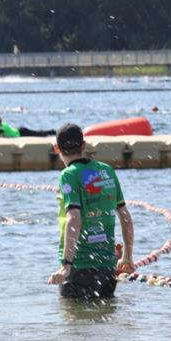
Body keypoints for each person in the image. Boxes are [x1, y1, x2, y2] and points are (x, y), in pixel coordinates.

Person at [47, 123, 135, 299]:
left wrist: (66, 265)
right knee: (106, 317)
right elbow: (125, 217)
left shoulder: (68, 175)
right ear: (84, 145)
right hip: (108, 268)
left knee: (75, 322)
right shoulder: (106, 170)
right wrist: (127, 258)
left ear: (57, 148)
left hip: (79, 267)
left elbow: (74, 219)